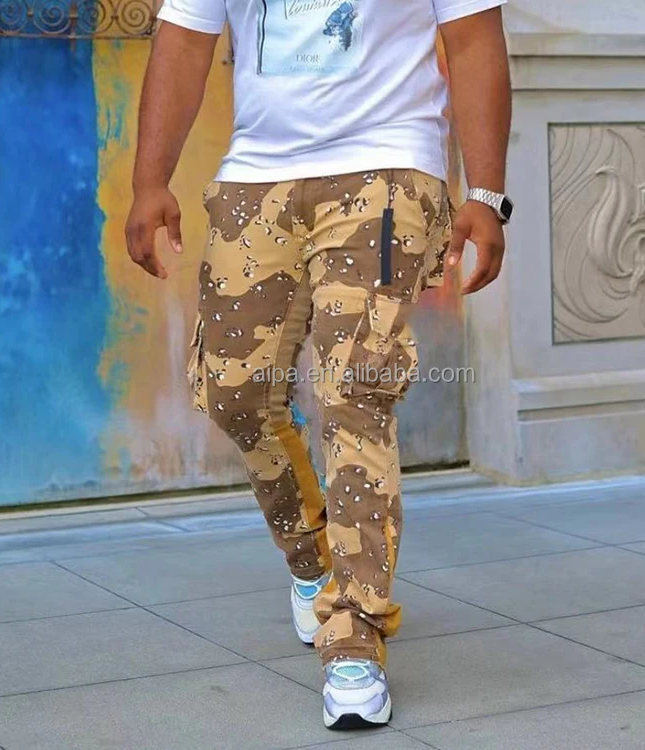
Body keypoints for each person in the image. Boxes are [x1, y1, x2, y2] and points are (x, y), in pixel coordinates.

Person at [125, 0, 512, 730]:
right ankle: (312, 557)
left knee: (354, 392)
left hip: (388, 170)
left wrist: (487, 194)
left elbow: (472, 38)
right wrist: (151, 181)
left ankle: (355, 637)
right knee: (234, 393)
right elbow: (183, 41)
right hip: (257, 179)